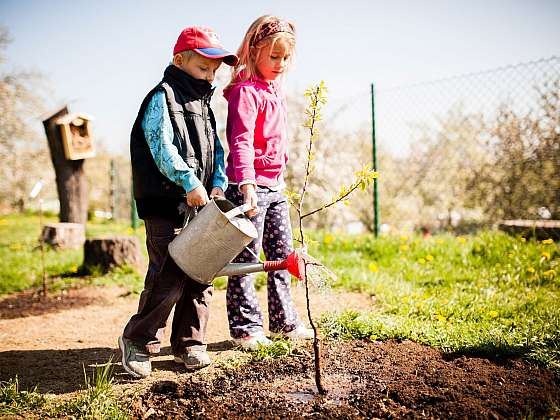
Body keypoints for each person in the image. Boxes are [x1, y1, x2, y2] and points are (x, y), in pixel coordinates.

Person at [119, 26, 238, 378]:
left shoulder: (203, 106)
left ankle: (189, 343)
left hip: (200, 203)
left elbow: (216, 150)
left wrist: (216, 182)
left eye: (214, 72)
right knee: (168, 273)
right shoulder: (163, 97)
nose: (209, 76)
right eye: (203, 68)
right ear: (179, 60)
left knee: (202, 272)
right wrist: (189, 180)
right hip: (165, 203)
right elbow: (162, 148)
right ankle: (138, 340)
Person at [223, 15, 313, 350]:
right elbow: (242, 141)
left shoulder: (274, 90)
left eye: (285, 58)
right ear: (254, 50)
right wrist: (246, 184)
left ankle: (284, 322)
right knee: (246, 258)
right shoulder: (246, 93)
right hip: (249, 188)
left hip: (274, 186)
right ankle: (246, 328)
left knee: (282, 255)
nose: (280, 64)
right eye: (273, 56)